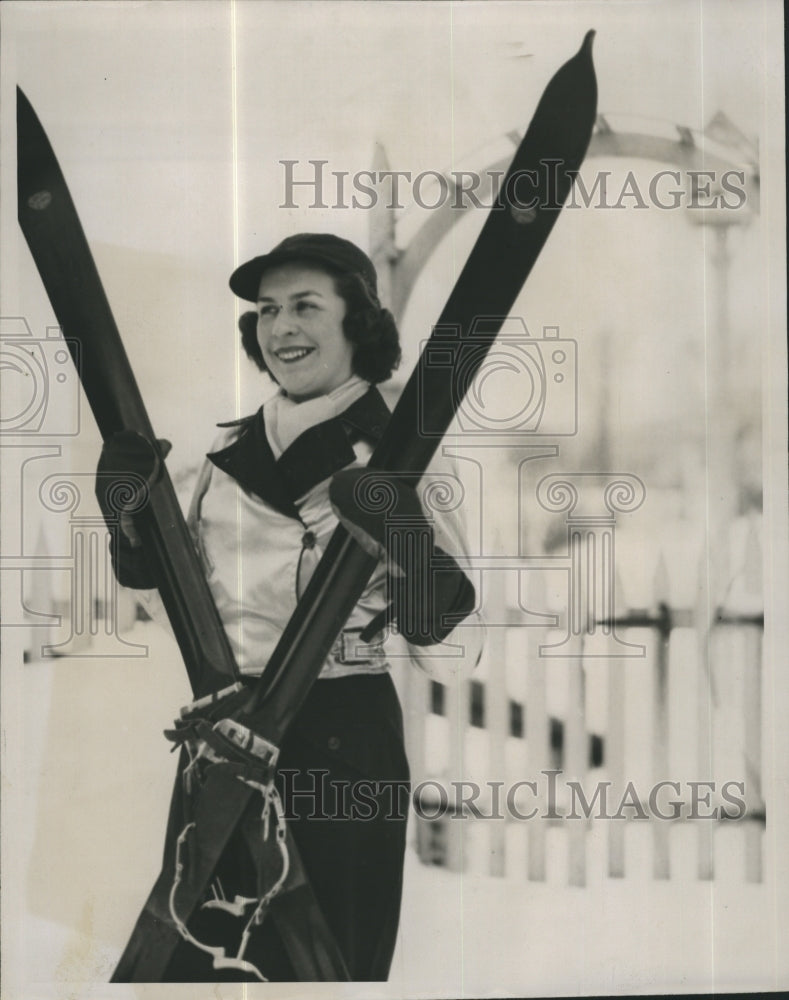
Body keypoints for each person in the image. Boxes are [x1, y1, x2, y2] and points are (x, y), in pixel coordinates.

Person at [97, 233, 483, 982]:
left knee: (324, 967)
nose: (280, 328)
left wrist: (413, 559)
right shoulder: (225, 455)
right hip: (224, 737)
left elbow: (454, 653)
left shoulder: (401, 457)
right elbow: (159, 607)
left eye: (306, 305)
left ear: (357, 324)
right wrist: (130, 530)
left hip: (340, 745)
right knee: (200, 965)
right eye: (268, 310)